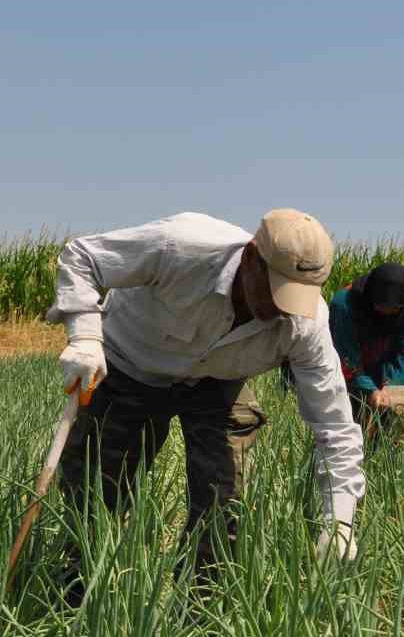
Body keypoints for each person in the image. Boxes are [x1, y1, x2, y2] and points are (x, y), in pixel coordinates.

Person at [47, 210, 365, 594]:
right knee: (96, 489)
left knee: (223, 504)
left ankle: (200, 612)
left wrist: (340, 521)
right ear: (250, 258)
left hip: (218, 382)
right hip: (132, 364)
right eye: (275, 289)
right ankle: (78, 595)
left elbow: (333, 427)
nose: (282, 307)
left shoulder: (305, 324)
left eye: (295, 296)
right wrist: (84, 336)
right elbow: (83, 257)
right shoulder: (181, 246)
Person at [327, 260, 404, 431]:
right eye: (380, 307)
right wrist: (370, 391)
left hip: (388, 374)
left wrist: (390, 390)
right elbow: (346, 356)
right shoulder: (344, 305)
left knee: (395, 430)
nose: (385, 313)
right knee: (349, 428)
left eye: (392, 310)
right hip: (349, 373)